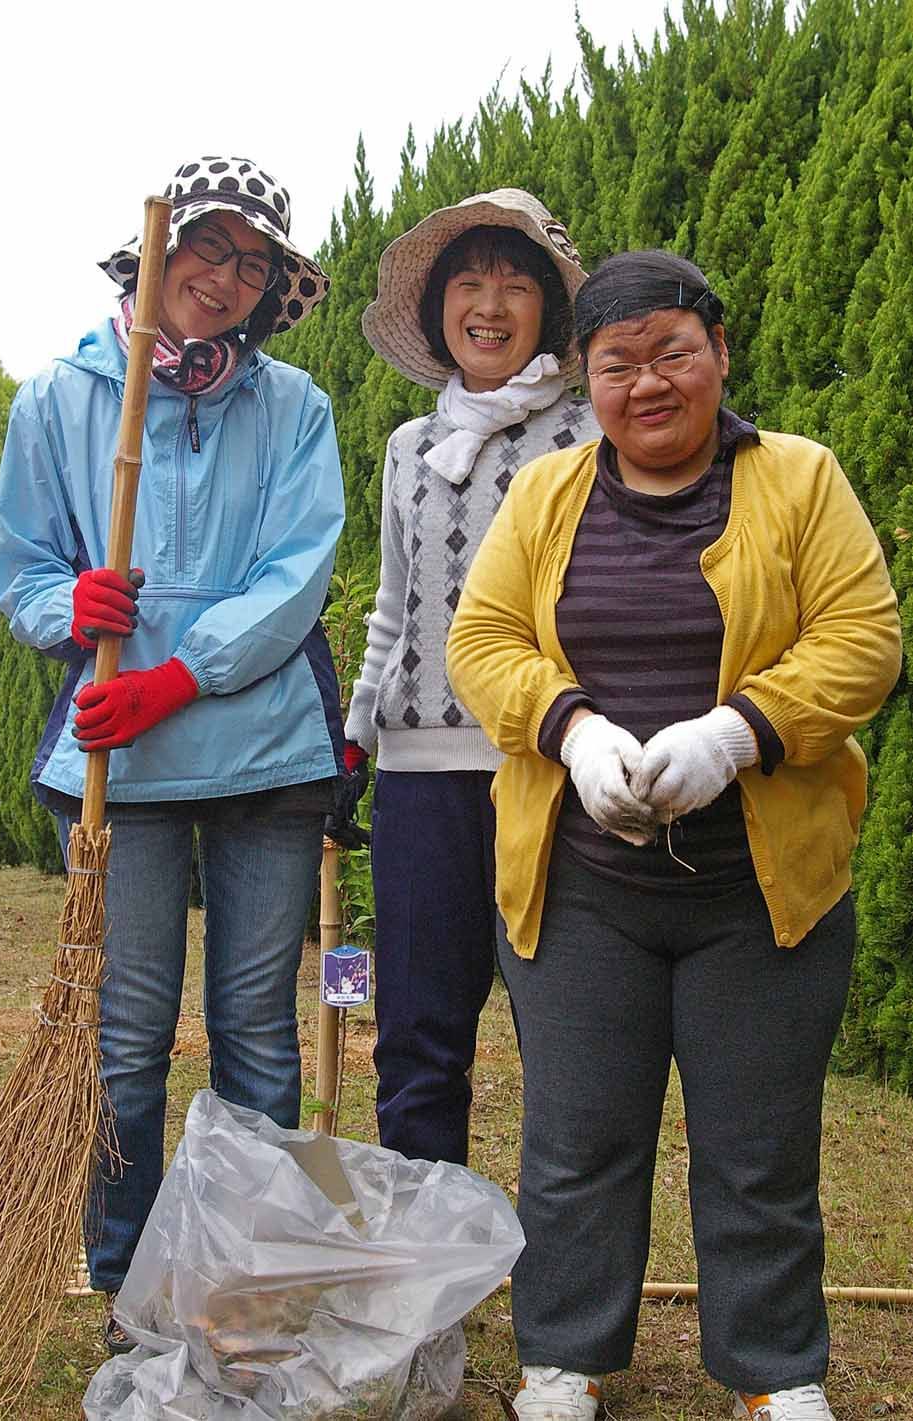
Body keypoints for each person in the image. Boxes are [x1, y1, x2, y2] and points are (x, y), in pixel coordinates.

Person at [447, 249, 902, 1421]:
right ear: (585, 381)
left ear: (718, 356)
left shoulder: (801, 479)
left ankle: (774, 1369)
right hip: (584, 881)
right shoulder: (547, 495)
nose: (649, 381)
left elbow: (863, 638)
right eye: (618, 362)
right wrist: (574, 729)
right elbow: (483, 639)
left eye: (673, 352)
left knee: (760, 1149)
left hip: (762, 889)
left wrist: (738, 734)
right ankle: (568, 1354)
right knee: (577, 1141)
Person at [0, 156, 346, 1353]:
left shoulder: (294, 406)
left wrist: (178, 674)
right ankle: (125, 1272)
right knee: (126, 1026)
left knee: (255, 1023)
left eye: (256, 263)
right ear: (158, 249)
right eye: (212, 247)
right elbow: (24, 568)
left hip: (265, 750)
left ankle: (246, 1275)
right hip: (116, 764)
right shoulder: (60, 396)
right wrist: (69, 607)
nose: (229, 277)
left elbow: (297, 575)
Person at [343, 190, 598, 1166]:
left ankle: (563, 1284)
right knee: (416, 1034)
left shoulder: (586, 439)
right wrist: (355, 740)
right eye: (468, 283)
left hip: (550, 768)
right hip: (418, 781)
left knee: (564, 1036)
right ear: (438, 309)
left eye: (515, 285)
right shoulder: (409, 448)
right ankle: (423, 1283)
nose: (489, 304)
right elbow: (392, 609)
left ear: (548, 312)